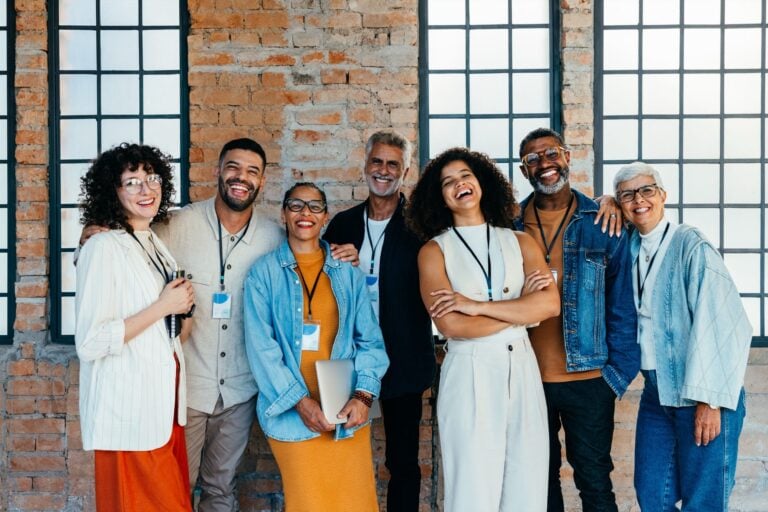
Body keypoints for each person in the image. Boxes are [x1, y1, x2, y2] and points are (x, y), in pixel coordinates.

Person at [78, 138, 359, 510]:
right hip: (184, 390)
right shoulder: (173, 224)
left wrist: (341, 253)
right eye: (233, 167)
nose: (241, 177)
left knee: (221, 488)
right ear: (218, 171)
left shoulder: (274, 239)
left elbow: (311, 252)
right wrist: (88, 235)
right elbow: (121, 241)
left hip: (240, 390)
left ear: (262, 181)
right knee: (175, 487)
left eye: (252, 171)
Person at [406, 147, 560, 511]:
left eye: (466, 175)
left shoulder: (520, 241)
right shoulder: (434, 251)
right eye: (447, 182)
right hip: (469, 370)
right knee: (472, 489)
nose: (459, 184)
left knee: (527, 485)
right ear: (439, 197)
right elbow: (451, 324)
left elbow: (550, 305)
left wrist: (476, 306)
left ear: (482, 182)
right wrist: (523, 311)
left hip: (522, 369)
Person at [243, 182, 390, 511]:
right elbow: (262, 350)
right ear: (283, 214)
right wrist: (301, 403)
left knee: (355, 503)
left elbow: (370, 341)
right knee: (308, 503)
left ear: (325, 217)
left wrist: (364, 396)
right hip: (291, 414)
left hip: (345, 411)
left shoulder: (347, 272)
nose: (305, 213)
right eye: (295, 205)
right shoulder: (263, 274)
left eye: (314, 206)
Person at [515, 127, 640, 512]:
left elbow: (623, 307)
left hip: (588, 380)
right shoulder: (509, 225)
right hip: (526, 379)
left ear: (568, 157)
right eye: (532, 159)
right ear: (523, 171)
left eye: (551, 153)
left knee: (594, 480)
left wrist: (613, 378)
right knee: (537, 481)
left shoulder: (603, 222)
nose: (544, 163)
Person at [613, 162, 750, 511]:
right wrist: (604, 201)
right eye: (627, 195)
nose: (638, 200)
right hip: (656, 392)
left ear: (663, 195)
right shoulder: (629, 245)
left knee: (703, 501)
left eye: (647, 190)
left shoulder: (690, 244)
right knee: (652, 495)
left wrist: (710, 401)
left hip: (701, 391)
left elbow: (722, 319)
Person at [75, 143, 195, 510]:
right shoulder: (102, 246)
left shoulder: (154, 243)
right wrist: (164, 306)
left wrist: (183, 310)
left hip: (165, 408)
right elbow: (91, 342)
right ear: (112, 191)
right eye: (132, 182)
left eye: (152, 178)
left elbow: (169, 332)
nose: (147, 189)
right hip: (129, 413)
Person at [323, 129, 436, 511]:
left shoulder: (422, 226)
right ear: (365, 164)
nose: (383, 170)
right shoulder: (342, 224)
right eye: (377, 161)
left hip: (405, 358)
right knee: (342, 451)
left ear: (406, 172)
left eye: (393, 164)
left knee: (402, 461)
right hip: (349, 358)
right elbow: (318, 287)